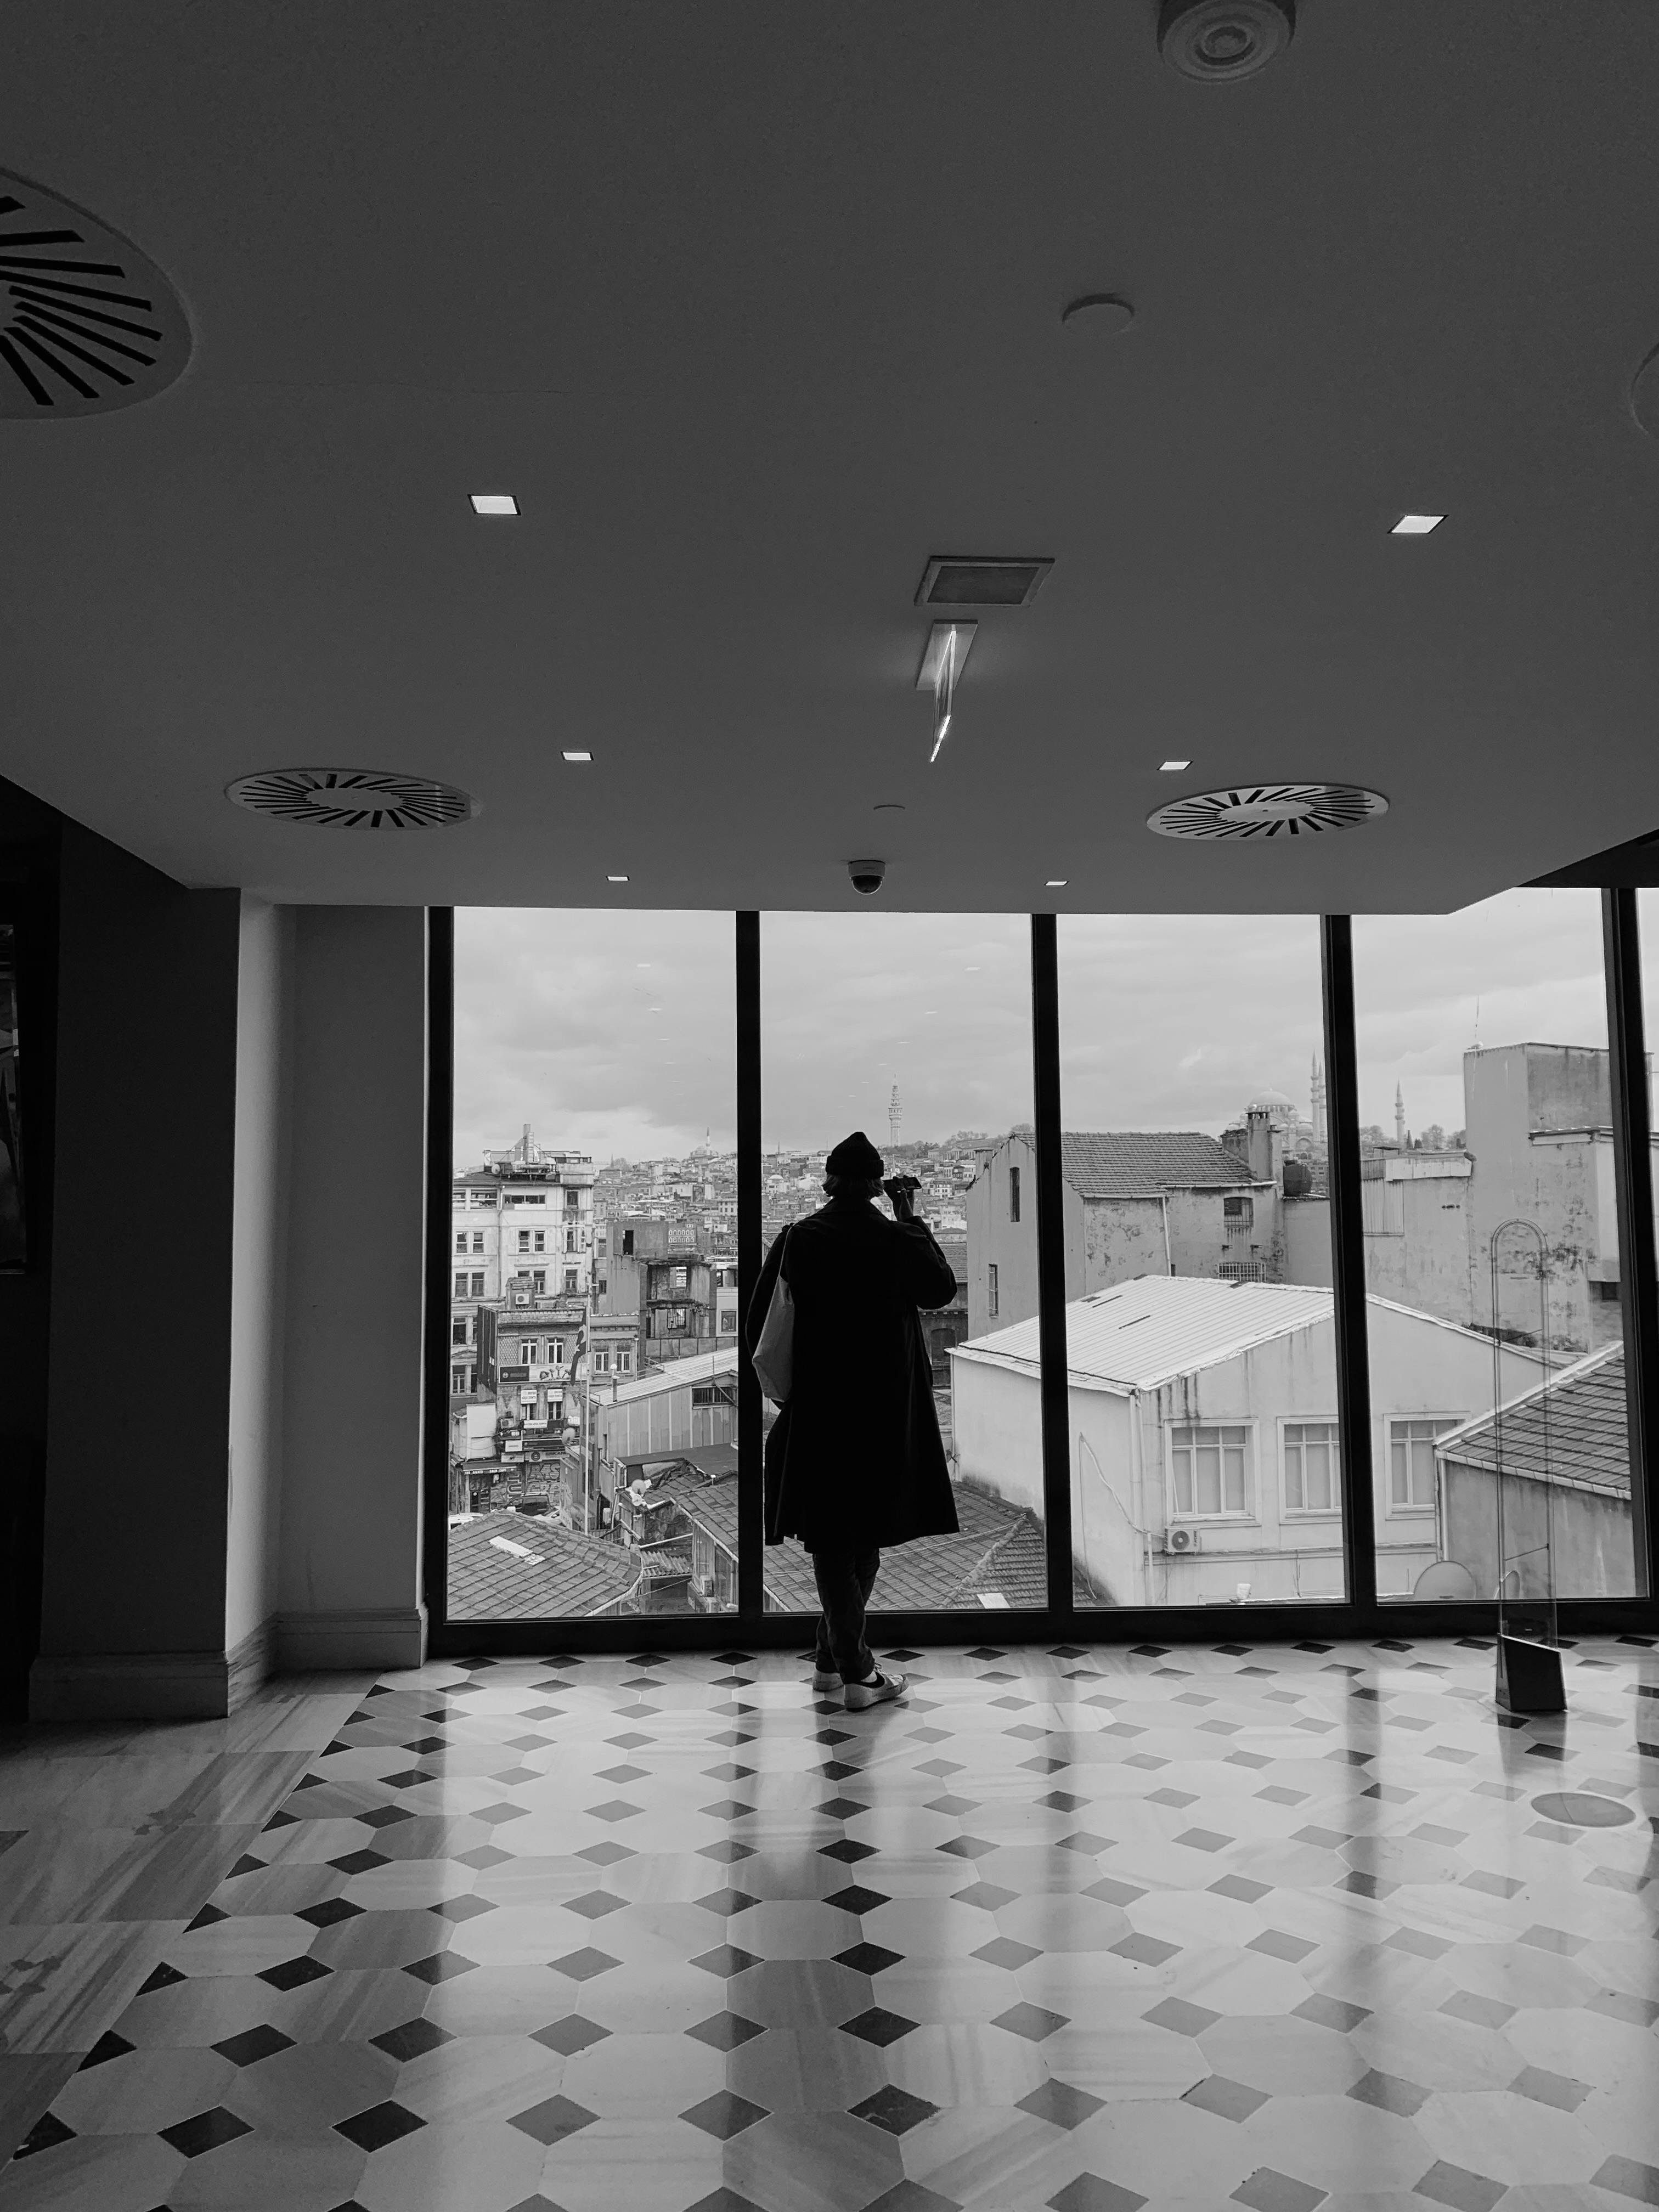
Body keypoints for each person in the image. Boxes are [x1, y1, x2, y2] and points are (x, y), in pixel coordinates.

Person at [746, 1130, 960, 1709]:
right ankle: (857, 1672)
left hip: (820, 1403)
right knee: (859, 1535)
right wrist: (910, 1216)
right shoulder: (893, 1238)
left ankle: (830, 1661)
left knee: (835, 1534)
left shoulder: (799, 1239)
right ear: (873, 1185)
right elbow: (940, 1291)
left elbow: (761, 1318)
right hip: (885, 1406)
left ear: (828, 1182)